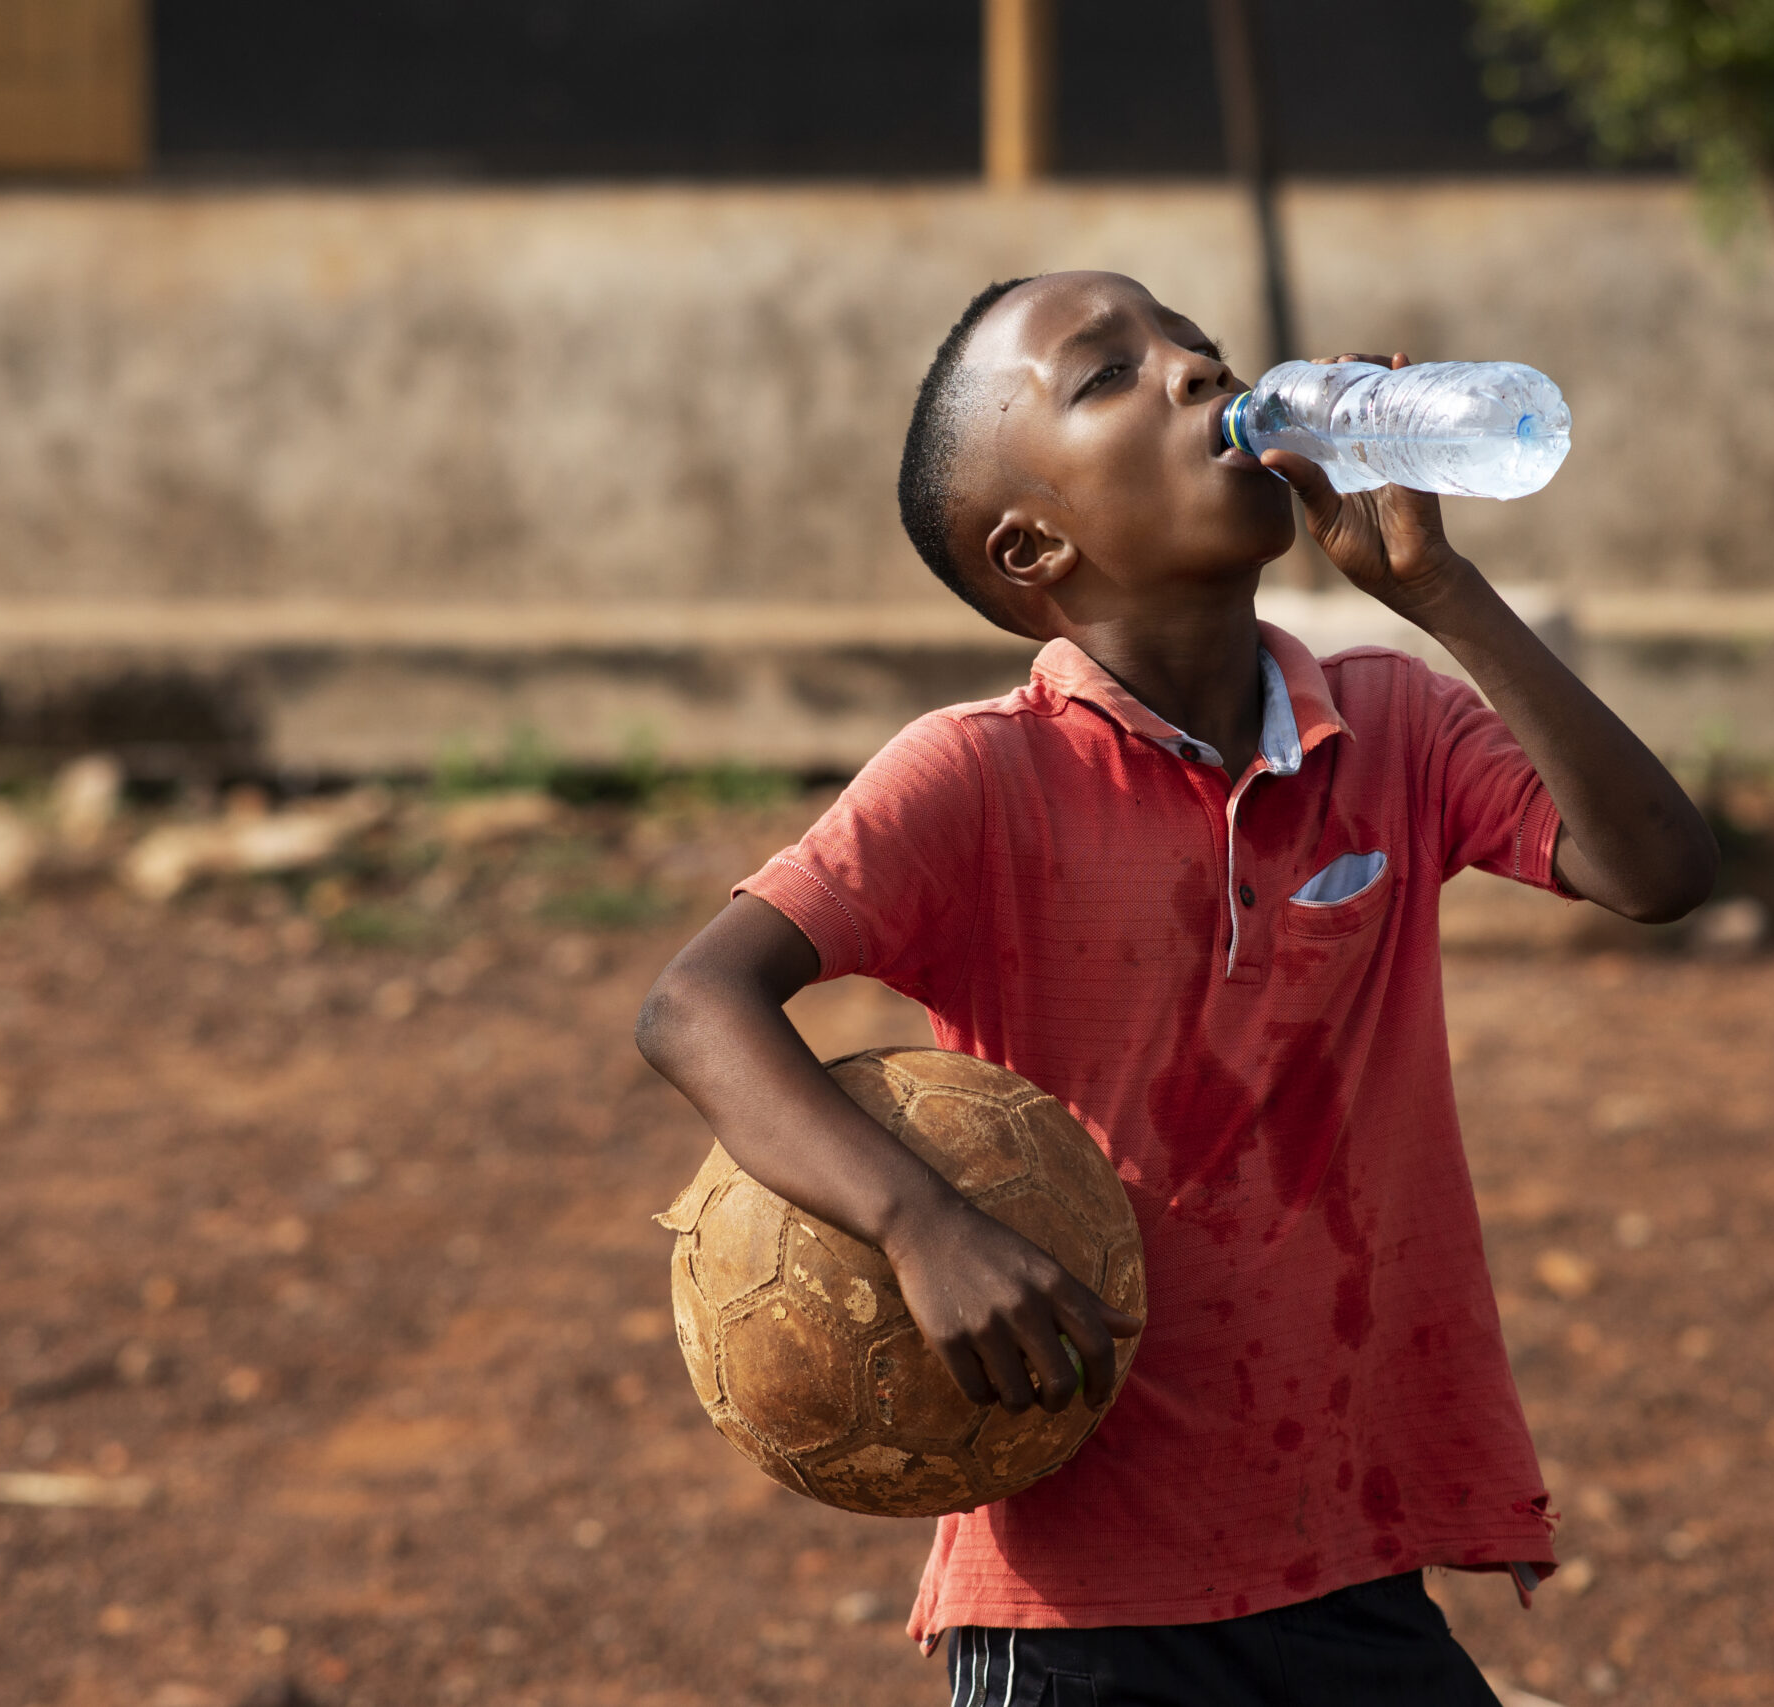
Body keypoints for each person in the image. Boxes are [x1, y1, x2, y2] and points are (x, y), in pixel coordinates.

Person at [635, 272, 1717, 1706]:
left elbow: (1655, 871)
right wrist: (921, 1226)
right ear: (1032, 544)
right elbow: (696, 1006)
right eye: (1109, 375)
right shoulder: (976, 777)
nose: (1199, 370)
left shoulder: (1389, 724)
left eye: (1193, 345)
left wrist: (1441, 595)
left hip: (1349, 1548)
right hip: (1079, 1601)